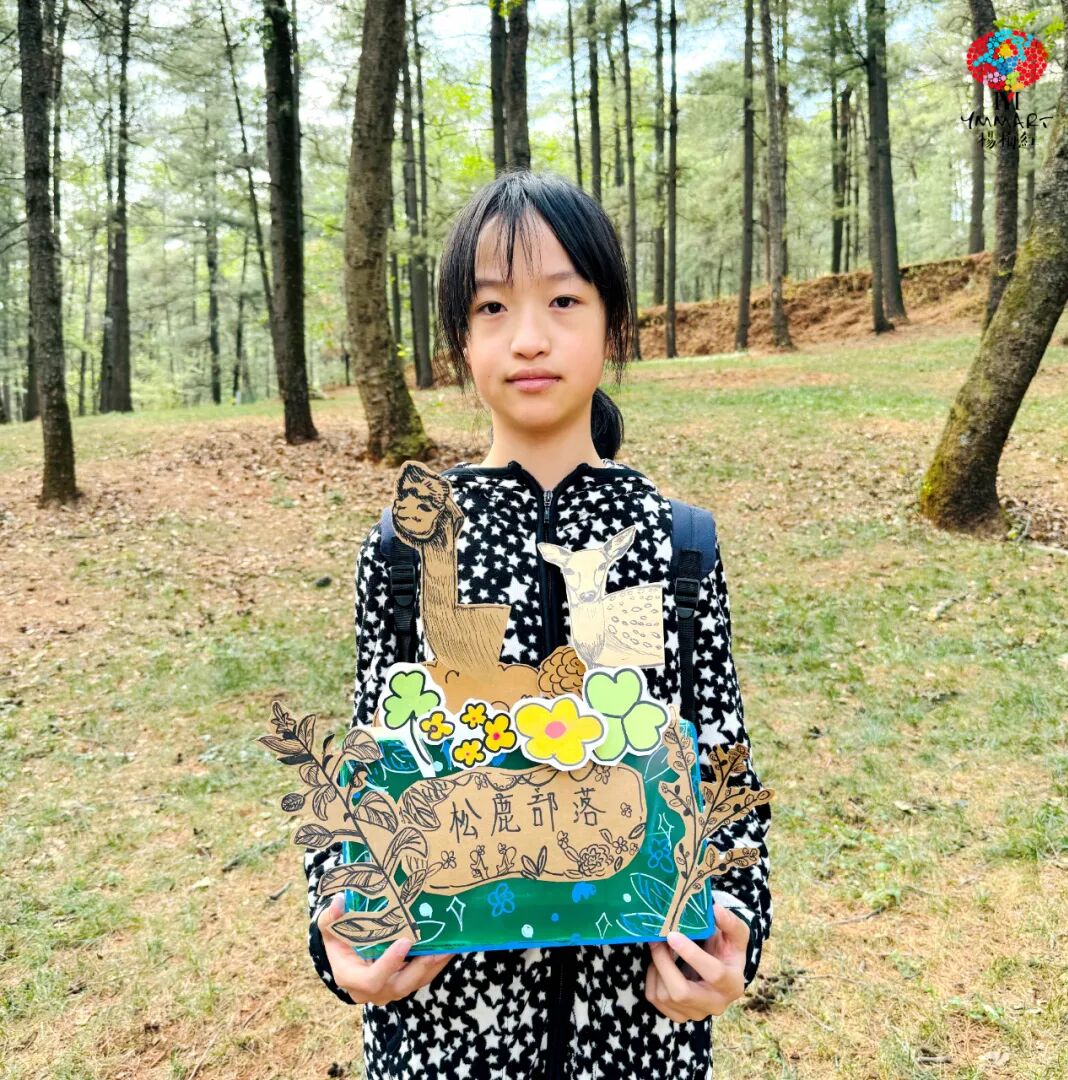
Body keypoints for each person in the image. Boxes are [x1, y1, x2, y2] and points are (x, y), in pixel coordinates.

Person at [304, 168, 772, 1080]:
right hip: (443, 1033)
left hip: (638, 1032)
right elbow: (363, 769)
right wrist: (341, 940)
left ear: (613, 325)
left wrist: (737, 937)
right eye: (491, 307)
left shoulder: (677, 543)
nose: (528, 337)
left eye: (563, 299)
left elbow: (722, 760)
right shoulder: (406, 550)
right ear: (460, 339)